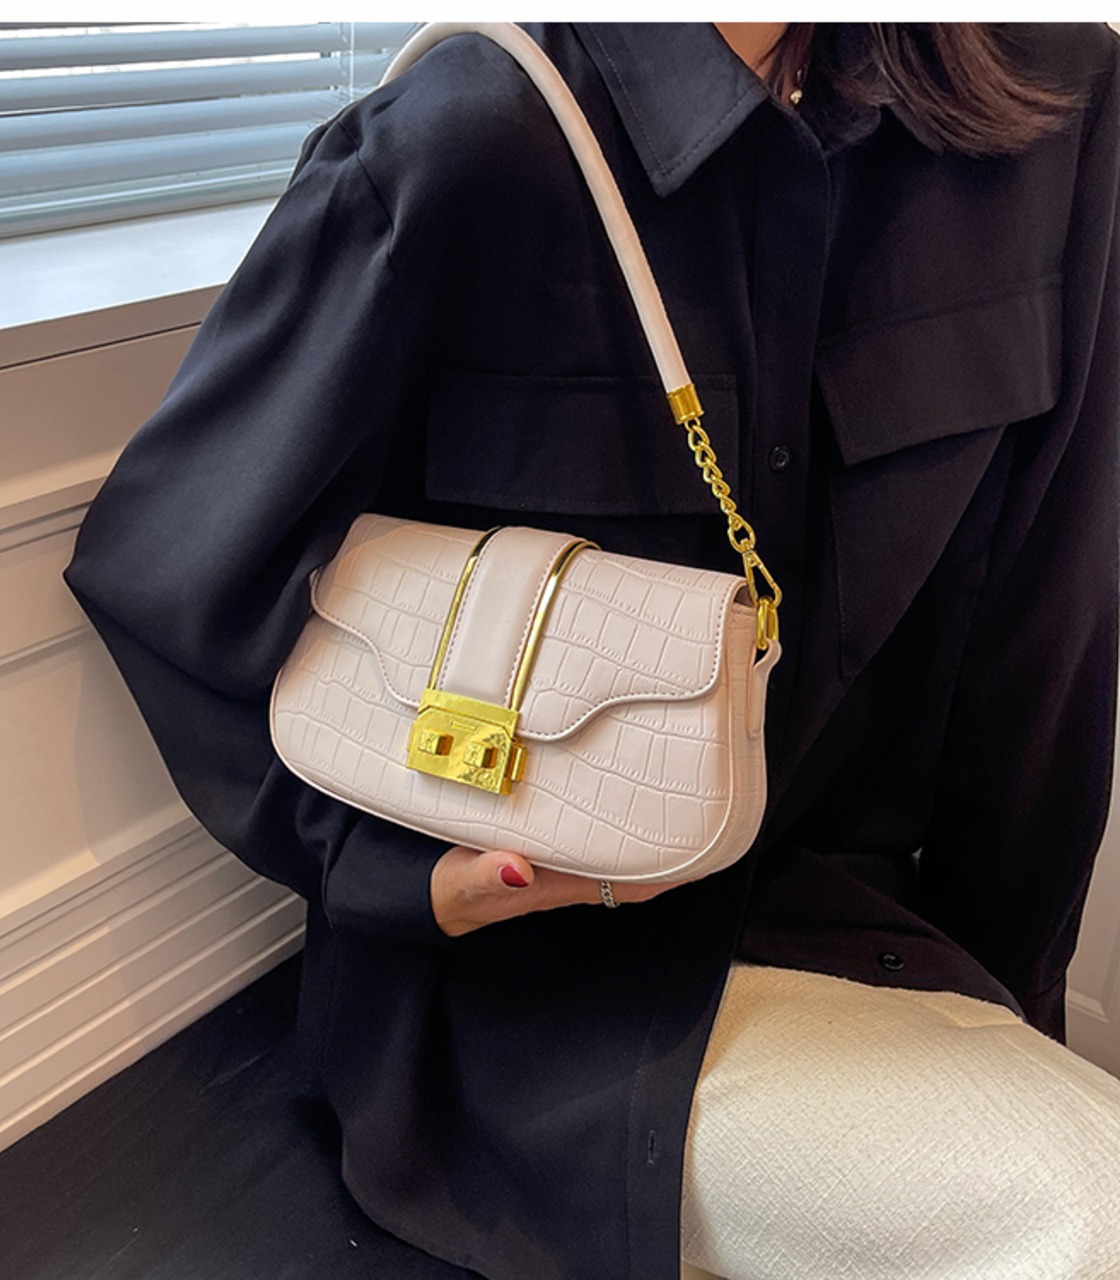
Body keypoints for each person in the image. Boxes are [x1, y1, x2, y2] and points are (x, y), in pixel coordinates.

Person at [65, 22, 1120, 1280]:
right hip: (541, 1008)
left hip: (868, 932)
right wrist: (392, 873)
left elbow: (1045, 639)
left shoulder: (1051, 109)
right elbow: (165, 570)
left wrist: (1002, 1011)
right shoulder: (469, 134)